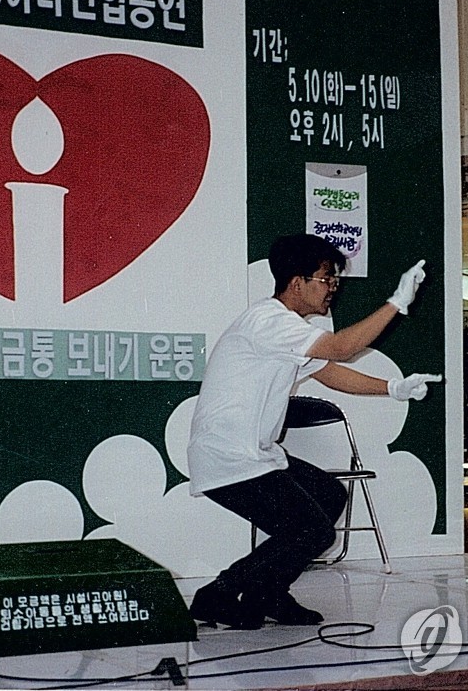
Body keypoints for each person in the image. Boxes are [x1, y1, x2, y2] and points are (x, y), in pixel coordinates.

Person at [186, 234, 440, 629]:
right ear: (296, 282)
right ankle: (216, 594)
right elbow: (339, 348)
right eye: (327, 280)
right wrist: (396, 302)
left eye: (335, 281)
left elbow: (329, 372)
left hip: (256, 454)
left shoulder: (286, 331)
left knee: (328, 495)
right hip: (228, 456)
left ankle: (266, 592)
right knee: (312, 530)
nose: (332, 290)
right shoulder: (268, 321)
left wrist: (392, 388)